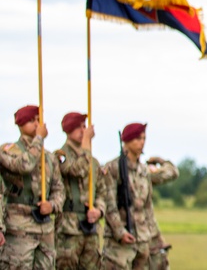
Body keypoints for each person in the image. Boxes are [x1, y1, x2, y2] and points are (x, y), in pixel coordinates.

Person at [0, 105, 65, 270]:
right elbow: (25, 165)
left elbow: (59, 189)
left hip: (45, 229)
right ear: (21, 124)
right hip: (19, 229)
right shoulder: (9, 151)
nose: (38, 124)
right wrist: (39, 139)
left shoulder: (49, 158)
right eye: (32, 120)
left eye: (39, 120)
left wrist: (52, 205)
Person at [99, 123, 155, 270]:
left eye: (143, 138)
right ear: (127, 140)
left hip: (142, 240)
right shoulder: (113, 167)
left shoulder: (143, 170)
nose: (142, 142)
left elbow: (148, 206)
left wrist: (151, 233)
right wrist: (120, 231)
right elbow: (109, 203)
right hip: (119, 244)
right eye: (137, 139)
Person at [55, 112, 103, 270]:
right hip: (69, 228)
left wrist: (99, 210)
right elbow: (78, 169)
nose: (84, 131)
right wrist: (87, 144)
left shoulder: (93, 161)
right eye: (80, 127)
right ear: (69, 129)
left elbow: (101, 191)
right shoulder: (61, 156)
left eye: (85, 127)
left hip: (90, 226)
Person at [147, 155, 179, 270]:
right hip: (145, 234)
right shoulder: (144, 172)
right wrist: (159, 161)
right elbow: (172, 172)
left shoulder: (142, 172)